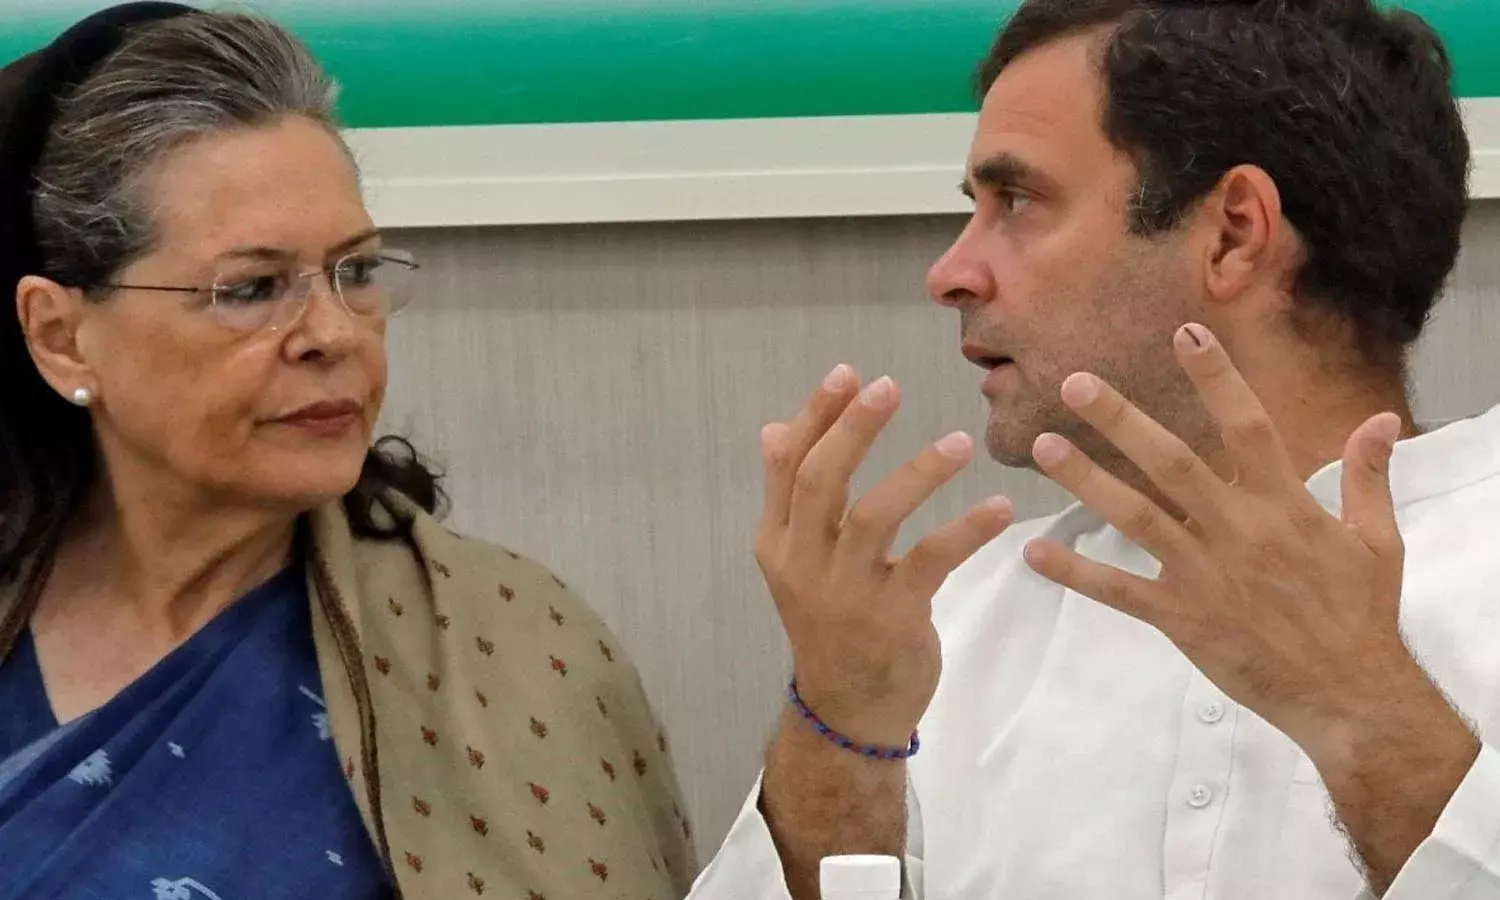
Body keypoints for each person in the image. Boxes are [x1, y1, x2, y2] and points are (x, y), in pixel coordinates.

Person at [692, 0, 1500, 898]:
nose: (949, 273)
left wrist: (1367, 708)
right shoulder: (957, 620)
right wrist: (842, 721)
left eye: (1018, 202)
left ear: (1234, 233)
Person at [0, 4, 696, 899]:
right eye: (252, 288)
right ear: (61, 338)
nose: (333, 334)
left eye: (356, 272)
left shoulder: (514, 651)